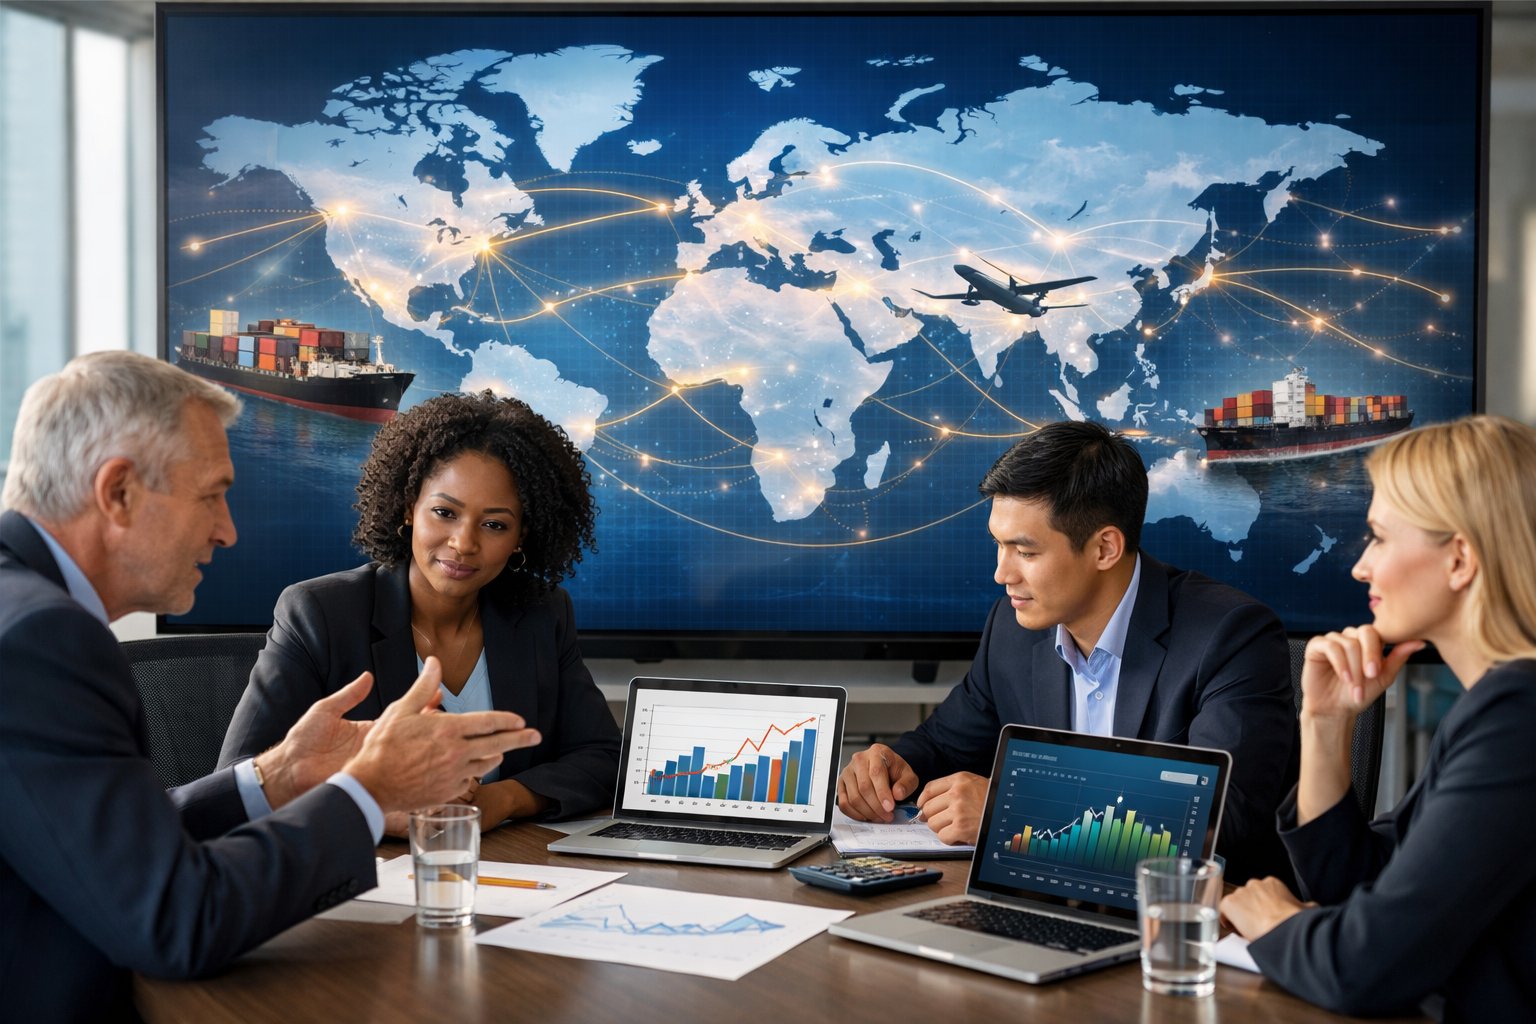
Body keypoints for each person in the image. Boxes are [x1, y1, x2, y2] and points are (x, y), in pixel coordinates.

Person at [0, 352, 541, 1022]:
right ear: (118, 492)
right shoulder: (41, 640)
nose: (227, 530)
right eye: (212, 495)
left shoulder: (22, 614)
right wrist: (369, 790)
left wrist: (278, 775)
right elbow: (179, 918)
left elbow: (109, 849)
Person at [836, 420, 1296, 883]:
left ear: (1105, 548)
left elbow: (1223, 818)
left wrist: (1014, 811)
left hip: (1186, 911)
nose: (1002, 574)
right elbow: (944, 745)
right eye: (998, 545)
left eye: (1025, 552)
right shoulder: (1012, 629)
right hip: (1042, 892)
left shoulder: (1232, 635)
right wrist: (890, 767)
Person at [1221, 415, 1536, 1019]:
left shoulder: (1517, 720)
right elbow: (1360, 888)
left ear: (1460, 559)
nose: (1361, 567)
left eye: (1379, 538)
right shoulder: (1493, 707)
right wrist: (1324, 722)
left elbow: (1367, 966)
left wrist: (1274, 921)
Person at [218, 391, 619, 829]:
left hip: (503, 860)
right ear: (410, 507)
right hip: (365, 863)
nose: (463, 543)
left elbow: (603, 756)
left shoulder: (543, 614)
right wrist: (384, 811)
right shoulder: (319, 613)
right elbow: (236, 781)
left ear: (522, 535)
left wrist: (498, 801)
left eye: (494, 524)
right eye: (445, 512)